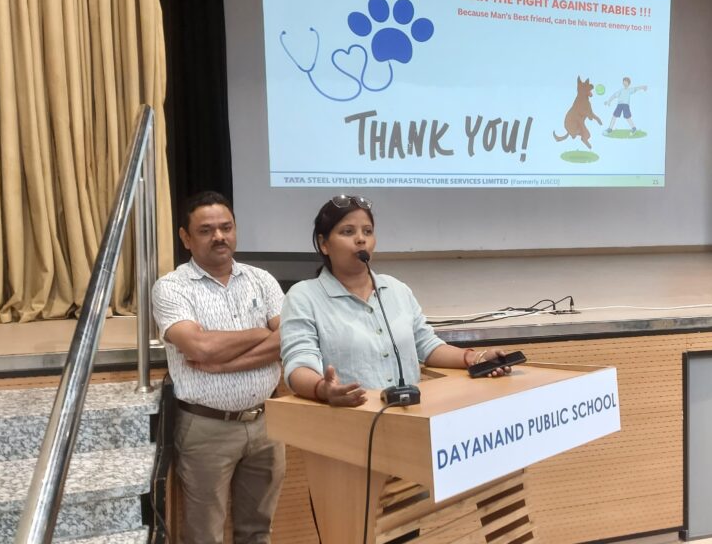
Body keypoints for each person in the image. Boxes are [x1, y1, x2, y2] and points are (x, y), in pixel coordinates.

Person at [281, 195, 508, 406]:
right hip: (350, 419)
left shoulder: (397, 289)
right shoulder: (304, 296)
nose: (361, 239)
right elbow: (298, 364)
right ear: (324, 244)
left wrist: (475, 358)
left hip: (409, 415)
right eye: (348, 232)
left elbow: (427, 346)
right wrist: (323, 389)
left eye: (368, 231)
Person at [152, 191, 286, 544]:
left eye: (226, 227)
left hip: (266, 424)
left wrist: (226, 364)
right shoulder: (171, 288)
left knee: (258, 531)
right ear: (186, 238)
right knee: (204, 535)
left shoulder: (262, 280)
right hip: (206, 429)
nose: (219, 237)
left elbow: (290, 338)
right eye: (206, 230)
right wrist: (261, 332)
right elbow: (199, 347)